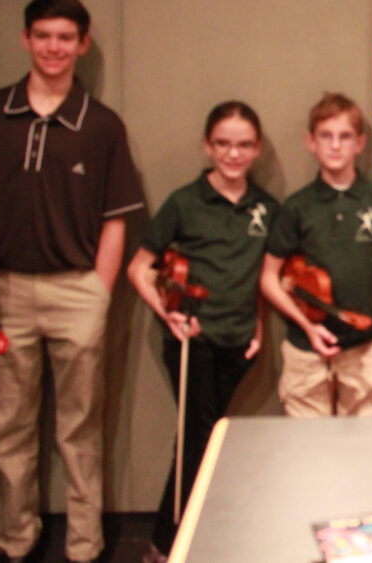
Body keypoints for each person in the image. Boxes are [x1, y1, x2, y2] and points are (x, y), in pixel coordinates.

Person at [0, 0, 143, 563]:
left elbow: (115, 220)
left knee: (79, 430)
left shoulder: (101, 126)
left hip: (78, 291)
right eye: (43, 35)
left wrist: (99, 291)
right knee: (9, 429)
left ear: (82, 43)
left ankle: (84, 544)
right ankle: (15, 538)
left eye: (65, 37)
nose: (54, 47)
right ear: (26, 38)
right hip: (0, 290)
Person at [127, 101, 278, 563]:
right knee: (199, 439)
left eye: (244, 145)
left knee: (206, 438)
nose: (233, 154)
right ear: (207, 146)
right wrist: (168, 315)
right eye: (223, 144)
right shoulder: (185, 202)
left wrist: (257, 326)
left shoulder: (267, 208)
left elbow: (260, 274)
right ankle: (166, 545)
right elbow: (139, 269)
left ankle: (184, 538)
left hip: (239, 344)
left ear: (257, 149)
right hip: (194, 342)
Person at [261, 93, 372, 417]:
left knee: (363, 450)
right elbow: (268, 279)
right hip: (306, 347)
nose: (335, 146)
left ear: (360, 143)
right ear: (310, 142)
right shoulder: (297, 207)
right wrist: (307, 325)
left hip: (366, 346)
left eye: (344, 137)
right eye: (325, 136)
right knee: (308, 449)